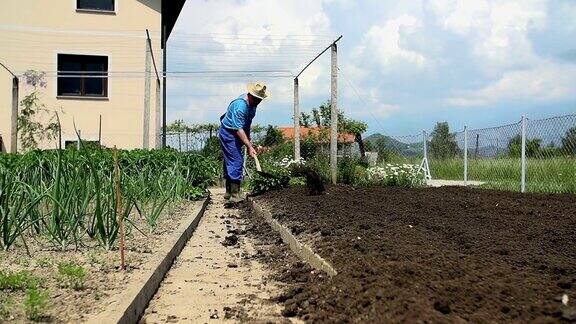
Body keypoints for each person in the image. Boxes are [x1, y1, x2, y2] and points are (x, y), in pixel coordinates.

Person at [219, 82, 269, 202]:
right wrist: (249, 146)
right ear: (251, 95)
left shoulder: (253, 104)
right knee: (236, 160)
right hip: (229, 133)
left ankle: (228, 192)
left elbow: (247, 124)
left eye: (260, 99)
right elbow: (238, 128)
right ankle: (235, 195)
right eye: (257, 99)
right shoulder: (240, 106)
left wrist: (249, 142)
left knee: (230, 160)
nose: (259, 101)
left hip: (238, 132)